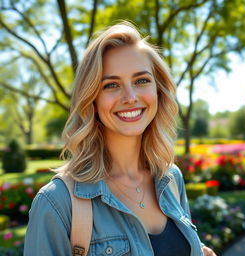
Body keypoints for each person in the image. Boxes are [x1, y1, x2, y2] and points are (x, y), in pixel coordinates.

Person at [24, 22, 216, 256]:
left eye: (141, 80)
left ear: (158, 90)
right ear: (91, 100)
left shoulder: (171, 179)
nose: (130, 97)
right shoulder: (57, 203)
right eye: (111, 85)